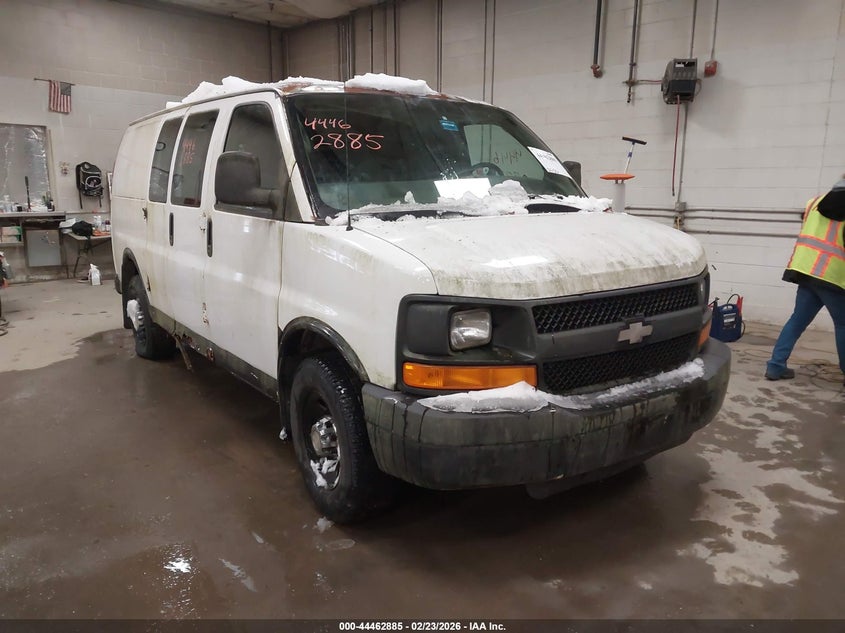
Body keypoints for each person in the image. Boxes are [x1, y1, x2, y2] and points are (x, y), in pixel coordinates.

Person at [765, 176, 845, 382]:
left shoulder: (813, 202)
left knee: (797, 320)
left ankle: (775, 366)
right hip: (833, 276)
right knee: (843, 325)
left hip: (806, 269)